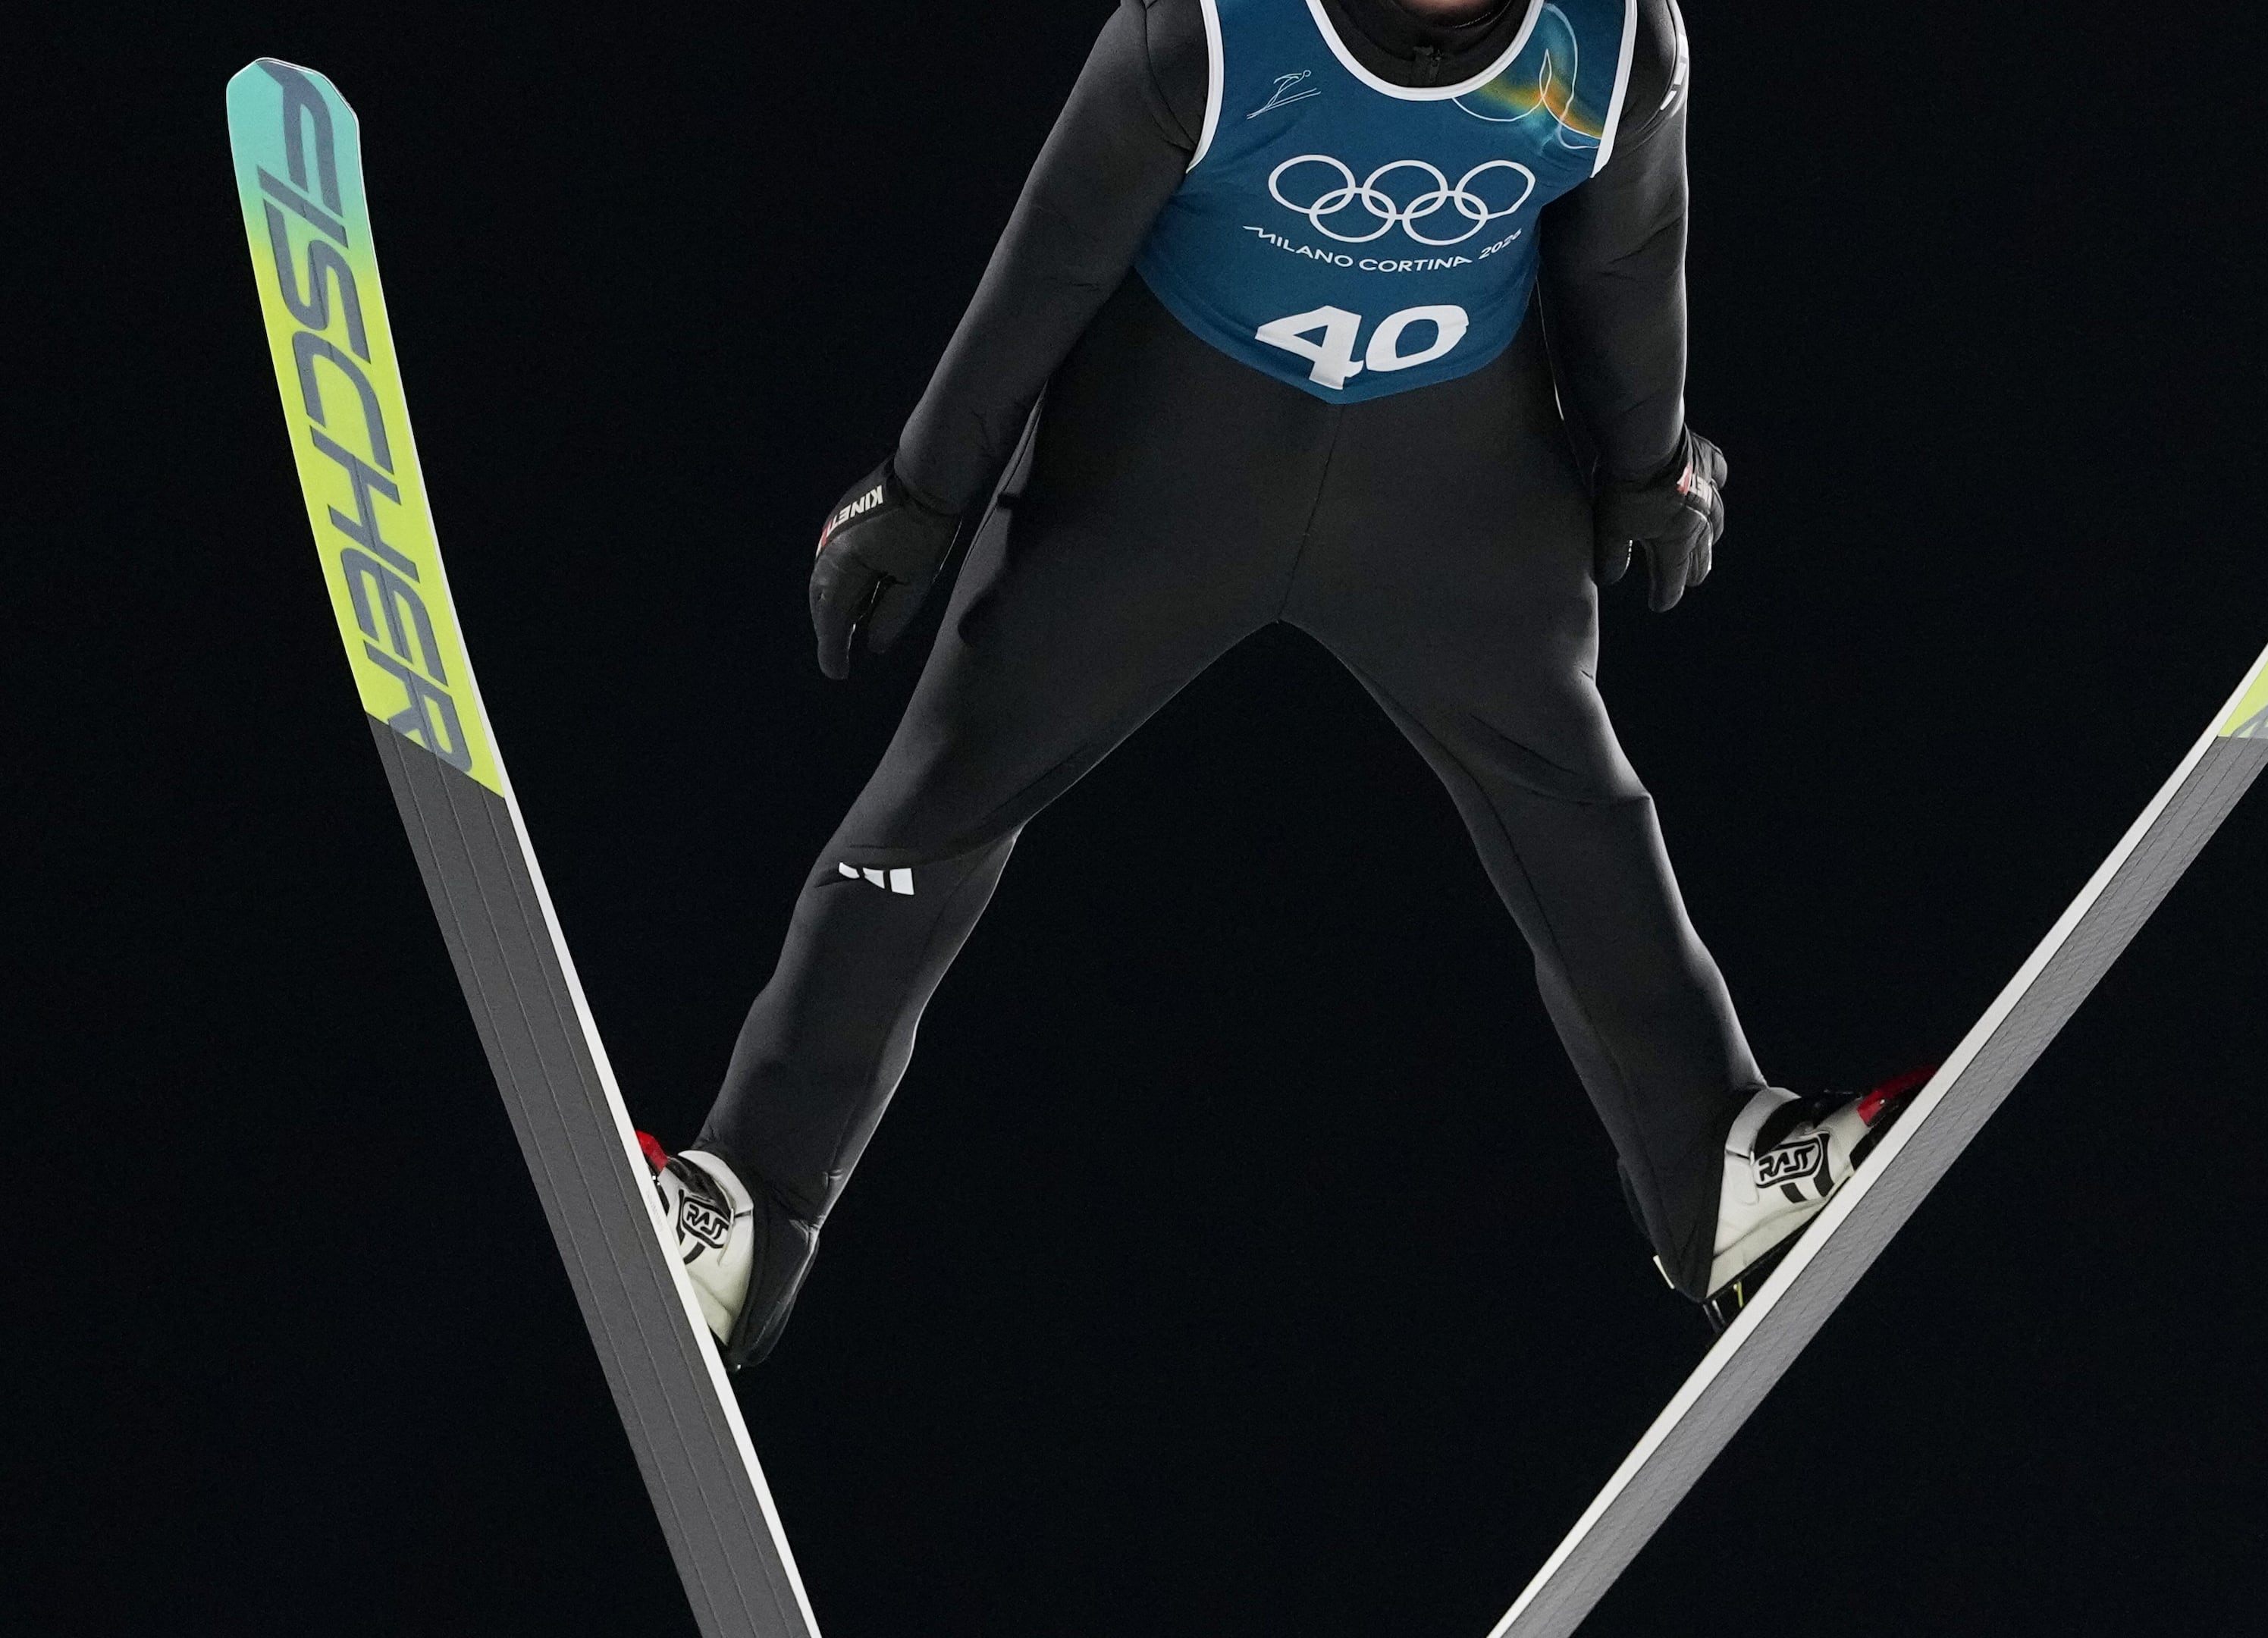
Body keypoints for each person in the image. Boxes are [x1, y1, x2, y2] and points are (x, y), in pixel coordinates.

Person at [639, 0, 1916, 1365]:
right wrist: (923, 488)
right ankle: (751, 1210)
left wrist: (1649, 464)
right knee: (941, 798)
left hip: (1450, 482)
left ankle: (1721, 1173)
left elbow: (1628, 257)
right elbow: (1054, 259)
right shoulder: (1208, 31)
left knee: (1574, 803)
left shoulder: (1612, 45)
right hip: (1166, 465)